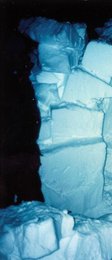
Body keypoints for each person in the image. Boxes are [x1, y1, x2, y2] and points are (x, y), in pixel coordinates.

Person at [0, 30, 45, 208]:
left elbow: (26, 115)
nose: (30, 58)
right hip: (9, 156)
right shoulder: (8, 78)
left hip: (24, 154)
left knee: (35, 212)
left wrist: (30, 150)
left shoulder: (19, 78)